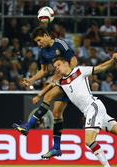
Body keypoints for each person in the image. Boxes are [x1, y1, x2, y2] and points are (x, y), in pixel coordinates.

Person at [12, 27, 78, 159]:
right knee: (57, 113)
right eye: (36, 42)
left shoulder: (61, 44)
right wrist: (30, 80)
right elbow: (43, 71)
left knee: (48, 96)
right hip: (61, 80)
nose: (38, 43)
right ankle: (57, 148)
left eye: (39, 40)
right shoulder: (43, 52)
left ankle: (28, 126)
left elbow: (74, 61)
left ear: (46, 35)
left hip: (70, 78)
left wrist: (67, 74)